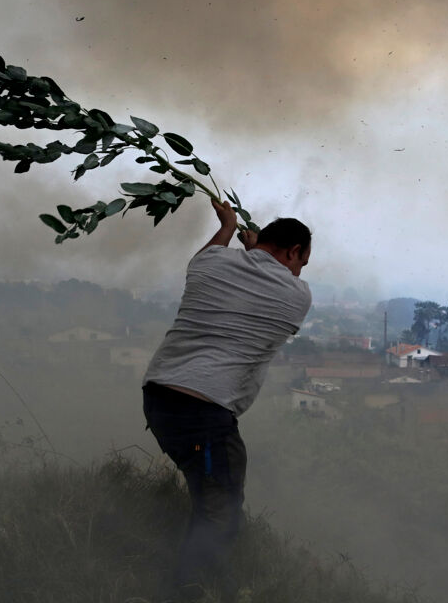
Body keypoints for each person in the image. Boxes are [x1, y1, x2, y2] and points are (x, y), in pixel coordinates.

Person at [142, 198, 313, 599]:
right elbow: (263, 282)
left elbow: (210, 259)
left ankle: (206, 581)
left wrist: (226, 225)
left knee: (209, 499)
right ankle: (187, 591)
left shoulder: (209, 264)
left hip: (158, 398)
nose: (300, 270)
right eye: (301, 261)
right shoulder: (298, 296)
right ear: (293, 251)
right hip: (204, 413)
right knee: (220, 514)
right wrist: (254, 250)